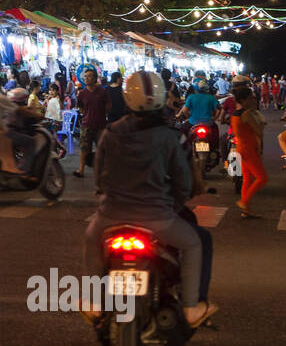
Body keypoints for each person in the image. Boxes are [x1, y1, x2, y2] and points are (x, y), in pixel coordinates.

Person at [83, 70, 217, 328]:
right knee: (195, 243)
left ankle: (95, 304)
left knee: (91, 239)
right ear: (160, 97)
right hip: (157, 218)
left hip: (110, 216)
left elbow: (99, 178)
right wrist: (175, 204)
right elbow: (183, 182)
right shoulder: (171, 136)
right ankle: (191, 307)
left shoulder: (111, 132)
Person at [230, 85, 267, 217]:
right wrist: (261, 122)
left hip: (242, 148)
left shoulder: (236, 113)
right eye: (251, 98)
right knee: (262, 178)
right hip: (248, 149)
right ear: (244, 100)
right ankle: (244, 202)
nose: (253, 100)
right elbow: (259, 131)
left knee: (248, 178)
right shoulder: (246, 114)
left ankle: (246, 211)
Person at [74, 68, 108, 178]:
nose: (86, 78)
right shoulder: (82, 93)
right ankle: (81, 169)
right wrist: (87, 114)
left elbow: (108, 105)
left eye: (89, 76)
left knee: (101, 148)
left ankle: (103, 170)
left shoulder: (102, 91)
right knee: (84, 148)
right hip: (87, 124)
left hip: (100, 125)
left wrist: (101, 113)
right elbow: (80, 107)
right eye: (85, 76)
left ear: (94, 78)